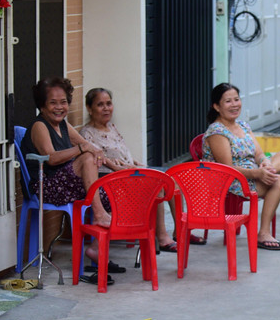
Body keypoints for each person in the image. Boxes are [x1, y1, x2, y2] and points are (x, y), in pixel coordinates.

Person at [19, 77, 117, 285]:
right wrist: (84, 149)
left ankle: (98, 250)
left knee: (112, 188)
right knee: (88, 159)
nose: (59, 107)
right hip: (46, 186)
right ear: (42, 105)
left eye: (63, 102)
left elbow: (87, 145)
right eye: (53, 102)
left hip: (64, 183)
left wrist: (117, 167)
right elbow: (51, 157)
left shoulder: (63, 125)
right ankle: (99, 215)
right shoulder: (39, 126)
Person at [79, 87, 197, 253]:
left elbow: (123, 153)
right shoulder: (87, 133)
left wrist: (135, 163)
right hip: (111, 179)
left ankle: (179, 231)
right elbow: (104, 161)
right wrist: (129, 168)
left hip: (128, 171)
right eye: (100, 105)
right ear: (90, 109)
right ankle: (161, 237)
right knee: (156, 186)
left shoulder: (111, 127)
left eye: (108, 103)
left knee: (173, 180)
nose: (106, 108)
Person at [202, 83, 280, 250]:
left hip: (252, 171)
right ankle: (263, 234)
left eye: (236, 99)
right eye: (228, 101)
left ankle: (269, 173)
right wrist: (257, 173)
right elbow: (227, 168)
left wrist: (265, 163)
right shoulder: (217, 131)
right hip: (229, 180)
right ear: (216, 107)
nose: (234, 105)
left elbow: (258, 153)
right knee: (278, 181)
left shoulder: (243, 125)